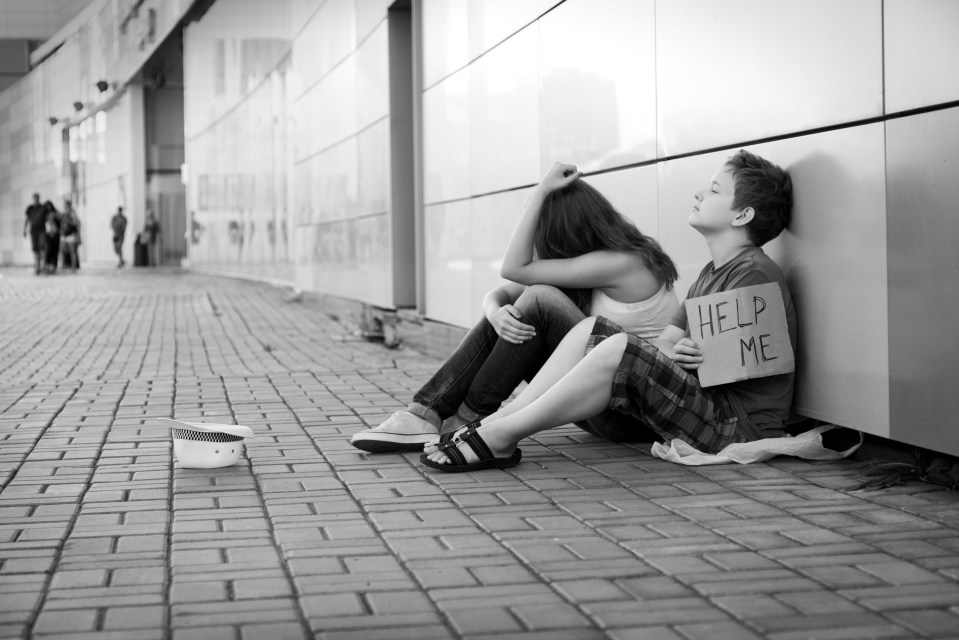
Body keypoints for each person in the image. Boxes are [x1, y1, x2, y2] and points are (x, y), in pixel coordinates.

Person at [422, 149, 796, 472]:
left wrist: (698, 358)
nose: (700, 193)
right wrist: (682, 353)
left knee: (619, 346)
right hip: (703, 412)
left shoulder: (755, 274)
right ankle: (497, 421)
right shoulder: (709, 276)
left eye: (714, 190)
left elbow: (736, 366)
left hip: (734, 426)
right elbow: (668, 343)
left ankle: (500, 434)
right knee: (592, 330)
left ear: (742, 215)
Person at [351, 162, 680, 453]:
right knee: (519, 309)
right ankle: (425, 414)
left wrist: (540, 193)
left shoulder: (629, 263)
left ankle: (465, 420)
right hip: (592, 404)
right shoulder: (584, 264)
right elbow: (502, 291)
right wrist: (494, 311)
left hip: (633, 419)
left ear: (565, 231)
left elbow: (514, 268)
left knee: (539, 300)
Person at [23, 193, 47, 275]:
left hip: (42, 231)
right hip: (33, 231)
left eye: (37, 198)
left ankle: (42, 266)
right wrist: (24, 229)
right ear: (33, 198)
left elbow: (48, 218)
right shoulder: (30, 208)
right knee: (35, 249)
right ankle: (37, 267)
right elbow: (27, 219)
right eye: (35, 198)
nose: (36, 199)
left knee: (42, 248)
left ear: (39, 198)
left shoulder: (43, 208)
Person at [60, 199, 81, 272]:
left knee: (73, 252)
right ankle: (63, 265)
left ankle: (74, 266)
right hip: (64, 235)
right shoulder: (63, 214)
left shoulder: (73, 213)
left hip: (71, 235)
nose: (65, 207)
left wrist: (68, 220)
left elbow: (76, 223)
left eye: (67, 205)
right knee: (63, 251)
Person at [42, 201, 61, 274]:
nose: (48, 208)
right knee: (48, 250)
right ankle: (47, 266)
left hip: (56, 233)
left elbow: (60, 220)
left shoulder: (56, 212)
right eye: (47, 206)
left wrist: (55, 216)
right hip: (47, 234)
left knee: (55, 250)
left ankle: (53, 267)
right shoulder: (44, 214)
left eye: (49, 206)